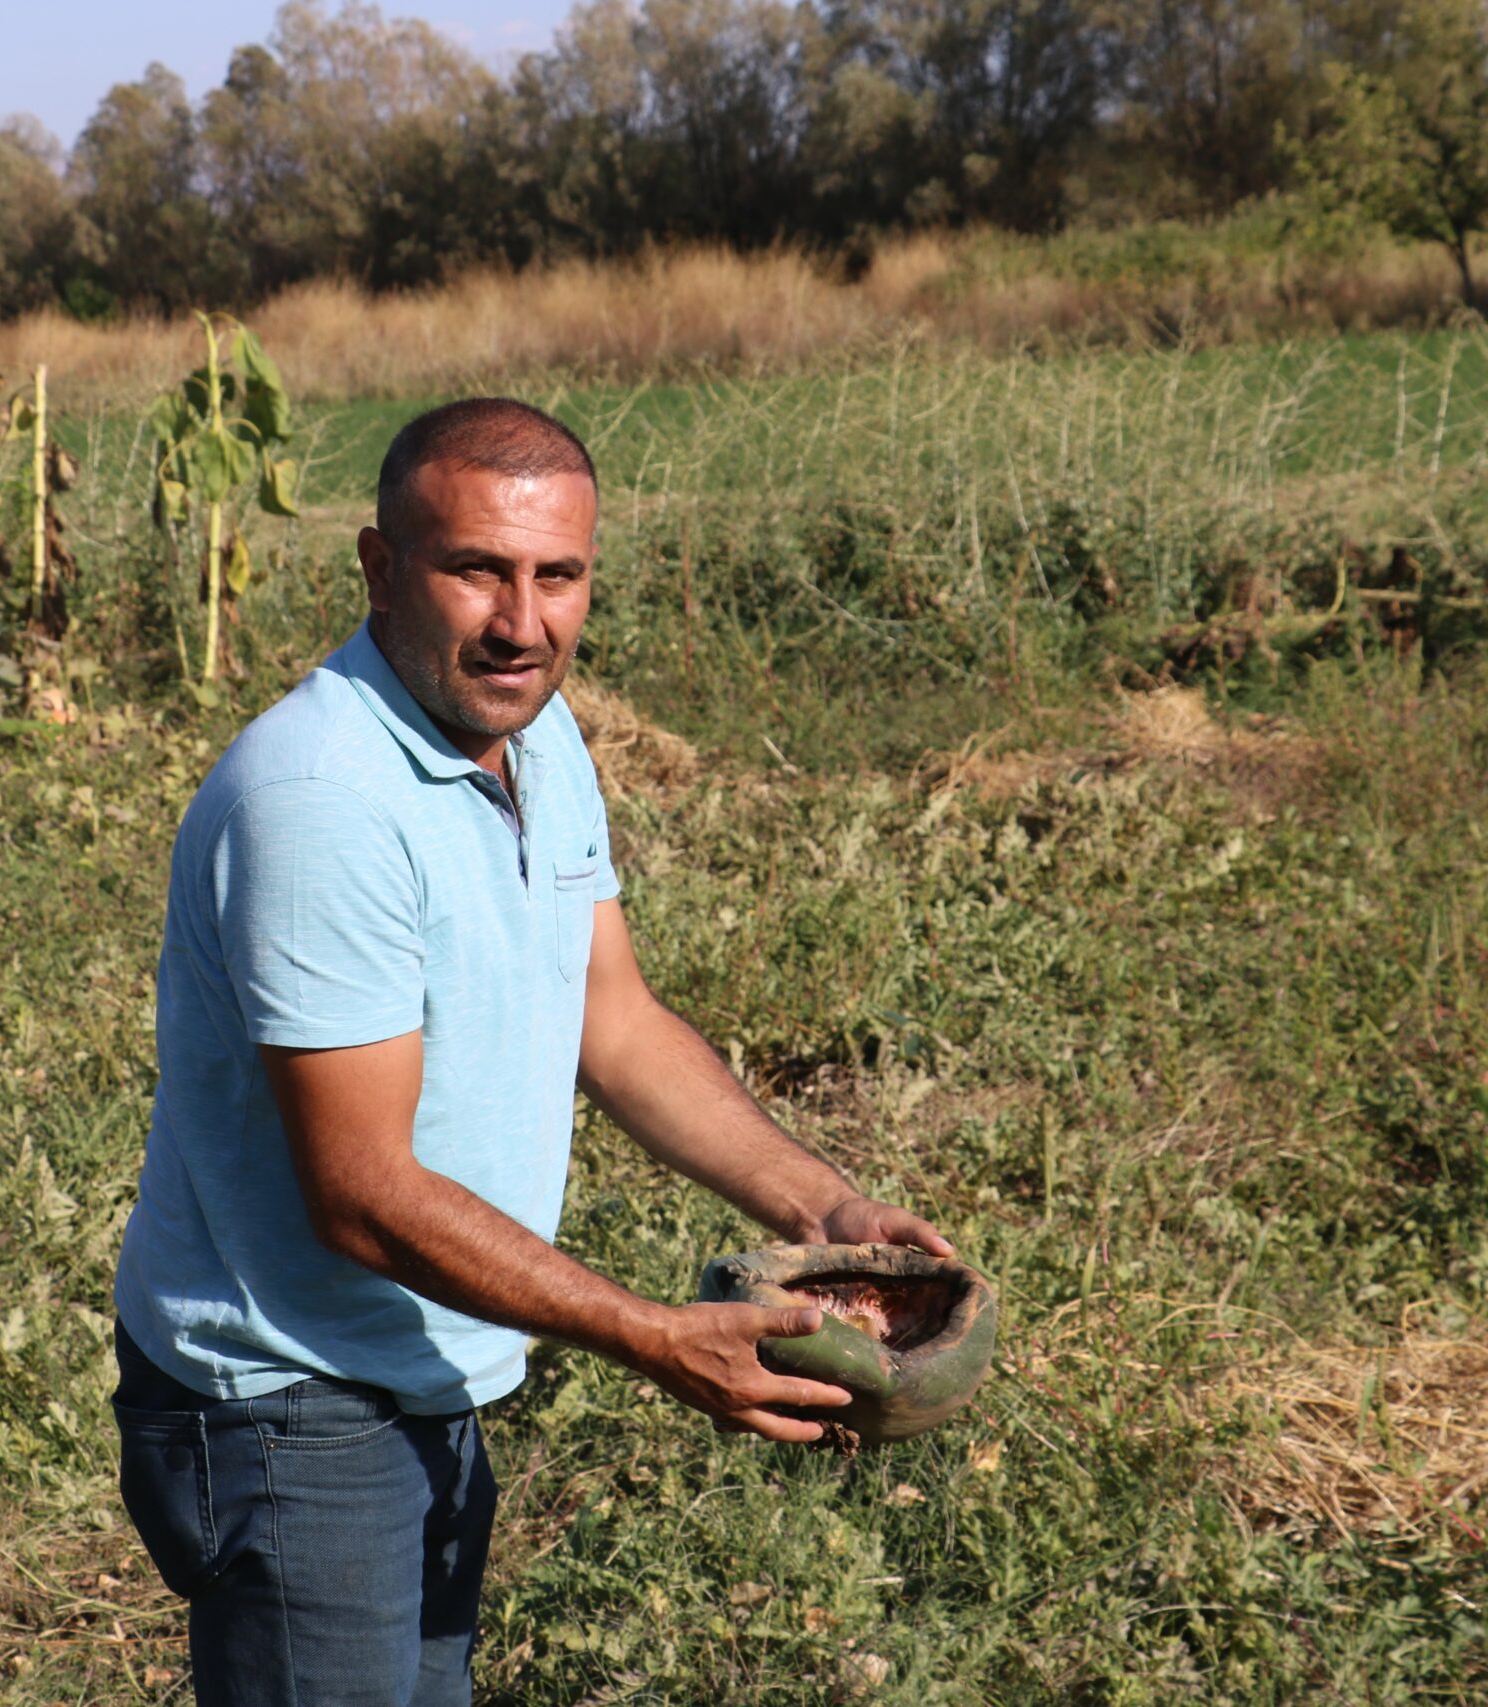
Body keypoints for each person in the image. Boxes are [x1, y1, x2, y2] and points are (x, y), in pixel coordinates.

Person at [111, 397, 952, 1706]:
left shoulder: (529, 730)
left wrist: (825, 1206)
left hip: (421, 1359)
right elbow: (362, 1192)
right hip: (290, 1396)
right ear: (382, 569)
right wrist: (651, 1336)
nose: (523, 621)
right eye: (476, 571)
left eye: (558, 575)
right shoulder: (320, 805)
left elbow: (608, 1019)